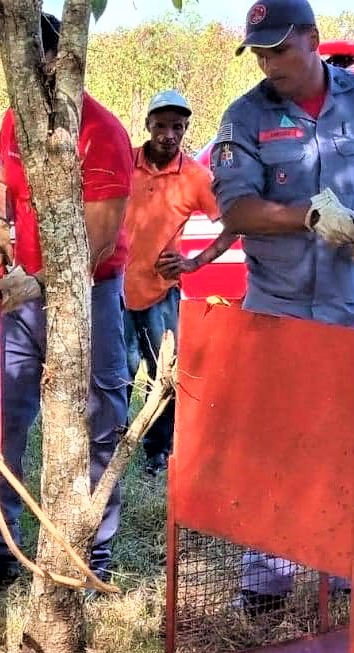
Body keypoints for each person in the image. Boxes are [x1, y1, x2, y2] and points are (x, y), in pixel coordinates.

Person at [211, 0, 354, 611]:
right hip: (277, 304)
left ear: (313, 39)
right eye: (260, 51)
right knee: (276, 438)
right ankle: (267, 577)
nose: (269, 62)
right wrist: (302, 214)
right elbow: (236, 208)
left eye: (280, 49)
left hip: (352, 304)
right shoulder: (246, 116)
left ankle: (348, 566)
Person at [0, 14, 133, 587]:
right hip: (19, 290)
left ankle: (90, 546)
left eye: (36, 64)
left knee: (100, 414)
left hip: (90, 291)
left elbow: (99, 239)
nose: (25, 77)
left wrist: (42, 281)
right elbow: (2, 177)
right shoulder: (16, 119)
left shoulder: (101, 132)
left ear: (61, 62)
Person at [123, 89, 237, 476]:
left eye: (177, 127)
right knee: (115, 371)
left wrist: (193, 262)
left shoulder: (196, 176)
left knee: (165, 375)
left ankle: (157, 452)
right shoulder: (123, 162)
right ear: (147, 126)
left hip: (161, 291)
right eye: (160, 125)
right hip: (114, 288)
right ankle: (112, 448)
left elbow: (232, 225)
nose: (168, 134)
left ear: (187, 129)